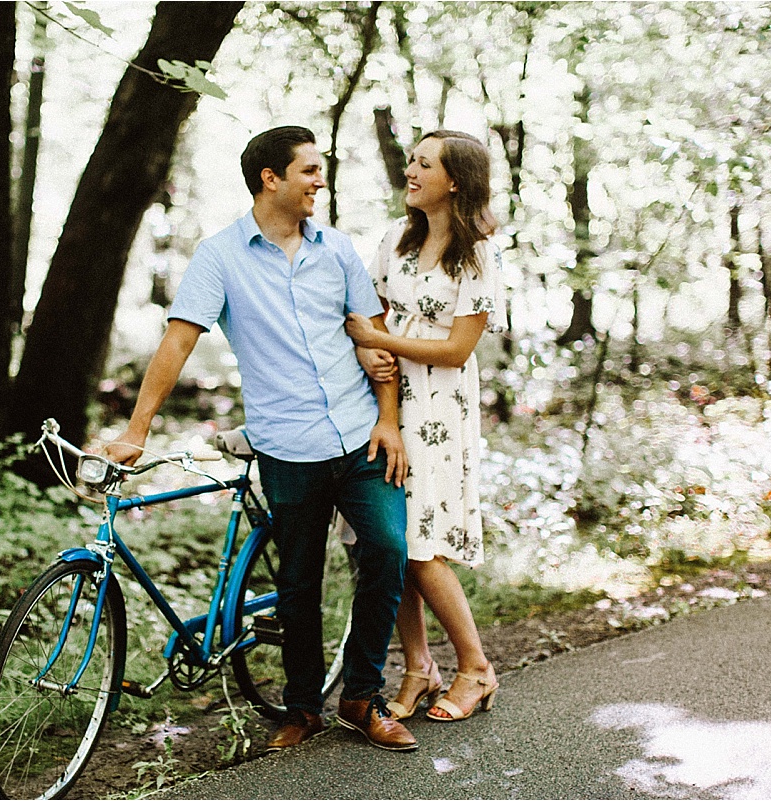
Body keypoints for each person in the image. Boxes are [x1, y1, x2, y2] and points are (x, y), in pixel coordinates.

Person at [106, 126, 417, 752]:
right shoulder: (220, 256)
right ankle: (302, 708)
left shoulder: (338, 250)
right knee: (299, 583)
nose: (320, 181)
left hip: (360, 435)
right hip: (288, 446)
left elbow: (375, 338)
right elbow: (178, 339)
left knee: (386, 550)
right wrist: (136, 430)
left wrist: (388, 419)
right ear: (270, 178)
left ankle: (362, 694)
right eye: (308, 171)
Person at [344, 129, 506, 723]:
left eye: (424, 164)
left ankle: (476, 668)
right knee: (388, 542)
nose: (410, 170)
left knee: (420, 547)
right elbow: (370, 313)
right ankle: (418, 668)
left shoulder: (478, 256)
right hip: (385, 399)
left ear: (455, 181)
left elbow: (458, 349)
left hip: (438, 411)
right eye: (411, 160)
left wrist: (376, 339)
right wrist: (370, 353)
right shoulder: (396, 240)